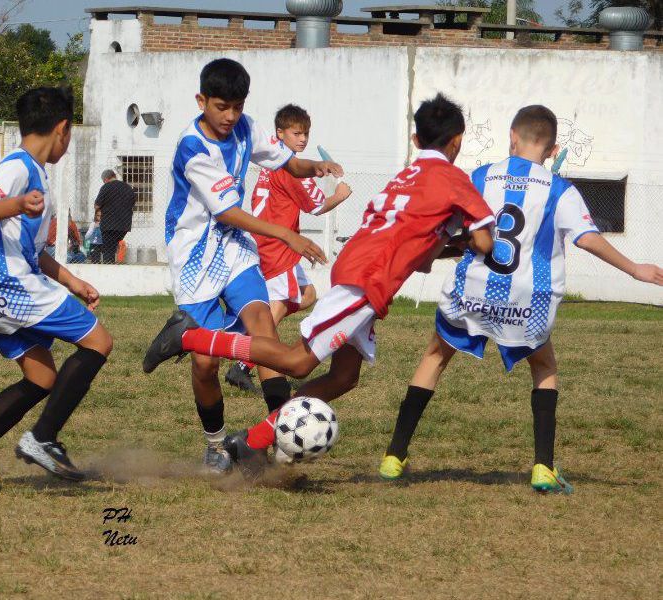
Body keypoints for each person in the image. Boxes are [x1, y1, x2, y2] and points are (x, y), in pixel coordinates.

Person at [144, 93, 495, 476]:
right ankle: (191, 340)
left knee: (345, 378)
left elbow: (422, 256)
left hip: (364, 270)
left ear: (415, 141)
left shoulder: (406, 177)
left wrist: (445, 242)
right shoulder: (454, 180)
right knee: (297, 361)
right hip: (367, 280)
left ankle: (256, 438)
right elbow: (485, 243)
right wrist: (470, 241)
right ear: (457, 142)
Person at [378, 105, 663, 493]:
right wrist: (634, 270)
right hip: (528, 298)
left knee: (434, 357)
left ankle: (395, 455)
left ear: (511, 137)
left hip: (473, 288)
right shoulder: (560, 189)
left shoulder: (479, 176)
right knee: (544, 366)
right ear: (552, 147)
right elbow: (588, 238)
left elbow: (448, 226)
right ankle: (543, 467)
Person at [150, 57, 343, 474]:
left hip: (235, 248)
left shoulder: (246, 125)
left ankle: (275, 434)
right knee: (205, 362)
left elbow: (286, 162)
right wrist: (287, 234)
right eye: (221, 107)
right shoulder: (192, 146)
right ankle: (215, 444)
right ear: (201, 100)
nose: (230, 116)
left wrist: (316, 166)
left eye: (237, 106)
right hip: (195, 257)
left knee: (263, 325)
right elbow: (226, 212)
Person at [0, 87, 113, 491]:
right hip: (8, 284)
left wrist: (71, 280)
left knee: (41, 379)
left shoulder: (34, 174)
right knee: (99, 341)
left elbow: (33, 251)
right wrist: (17, 203)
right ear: (63, 129)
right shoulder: (19, 167)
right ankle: (43, 438)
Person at [225, 104, 353, 392]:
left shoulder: (273, 165)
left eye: (305, 133)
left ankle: (248, 349)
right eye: (296, 133)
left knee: (306, 295)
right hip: (277, 243)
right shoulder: (289, 167)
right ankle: (245, 361)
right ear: (279, 134)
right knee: (280, 305)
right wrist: (341, 195)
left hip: (270, 241)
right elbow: (317, 205)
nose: (302, 139)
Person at [93, 169, 136, 264]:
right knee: (113, 246)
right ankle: (113, 267)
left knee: (108, 250)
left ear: (105, 179)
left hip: (109, 224)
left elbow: (97, 205)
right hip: (124, 225)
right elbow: (132, 204)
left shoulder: (106, 187)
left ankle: (108, 269)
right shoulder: (128, 188)